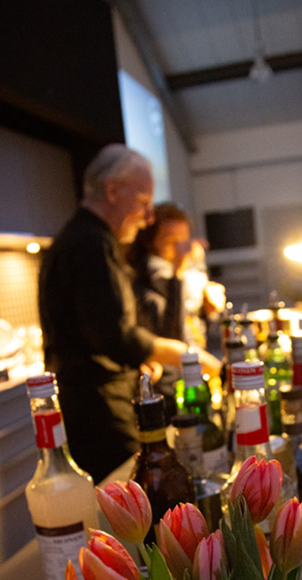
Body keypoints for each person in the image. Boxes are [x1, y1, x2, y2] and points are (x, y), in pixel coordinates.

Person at [38, 145, 220, 483]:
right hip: (100, 413)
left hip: (91, 405)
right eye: (143, 202)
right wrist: (187, 356)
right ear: (112, 190)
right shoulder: (92, 244)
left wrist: (136, 360)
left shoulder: (81, 238)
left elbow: (95, 330)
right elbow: (117, 337)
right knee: (130, 504)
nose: (148, 216)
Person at [126, 202, 225, 414]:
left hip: (194, 375)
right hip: (168, 386)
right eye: (172, 241)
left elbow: (194, 325)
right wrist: (178, 271)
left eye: (184, 241)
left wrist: (208, 308)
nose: (181, 249)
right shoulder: (149, 282)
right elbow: (172, 333)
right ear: (150, 242)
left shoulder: (190, 279)